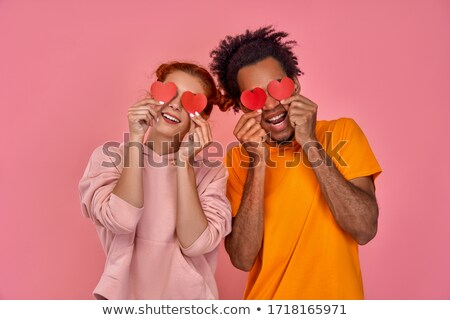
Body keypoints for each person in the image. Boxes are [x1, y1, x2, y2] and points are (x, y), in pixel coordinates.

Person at [209, 26, 382, 299]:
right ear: (242, 108)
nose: (269, 105)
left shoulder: (342, 133)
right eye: (254, 97)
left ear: (296, 85)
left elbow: (365, 229)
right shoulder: (239, 159)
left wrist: (310, 142)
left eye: (278, 88)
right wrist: (258, 161)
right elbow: (242, 258)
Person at [78, 62, 233, 299]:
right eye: (170, 93)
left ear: (200, 119)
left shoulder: (212, 173)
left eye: (190, 102)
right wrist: (136, 141)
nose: (175, 105)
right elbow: (121, 219)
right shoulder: (110, 158)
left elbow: (196, 245)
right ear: (152, 97)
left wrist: (183, 163)